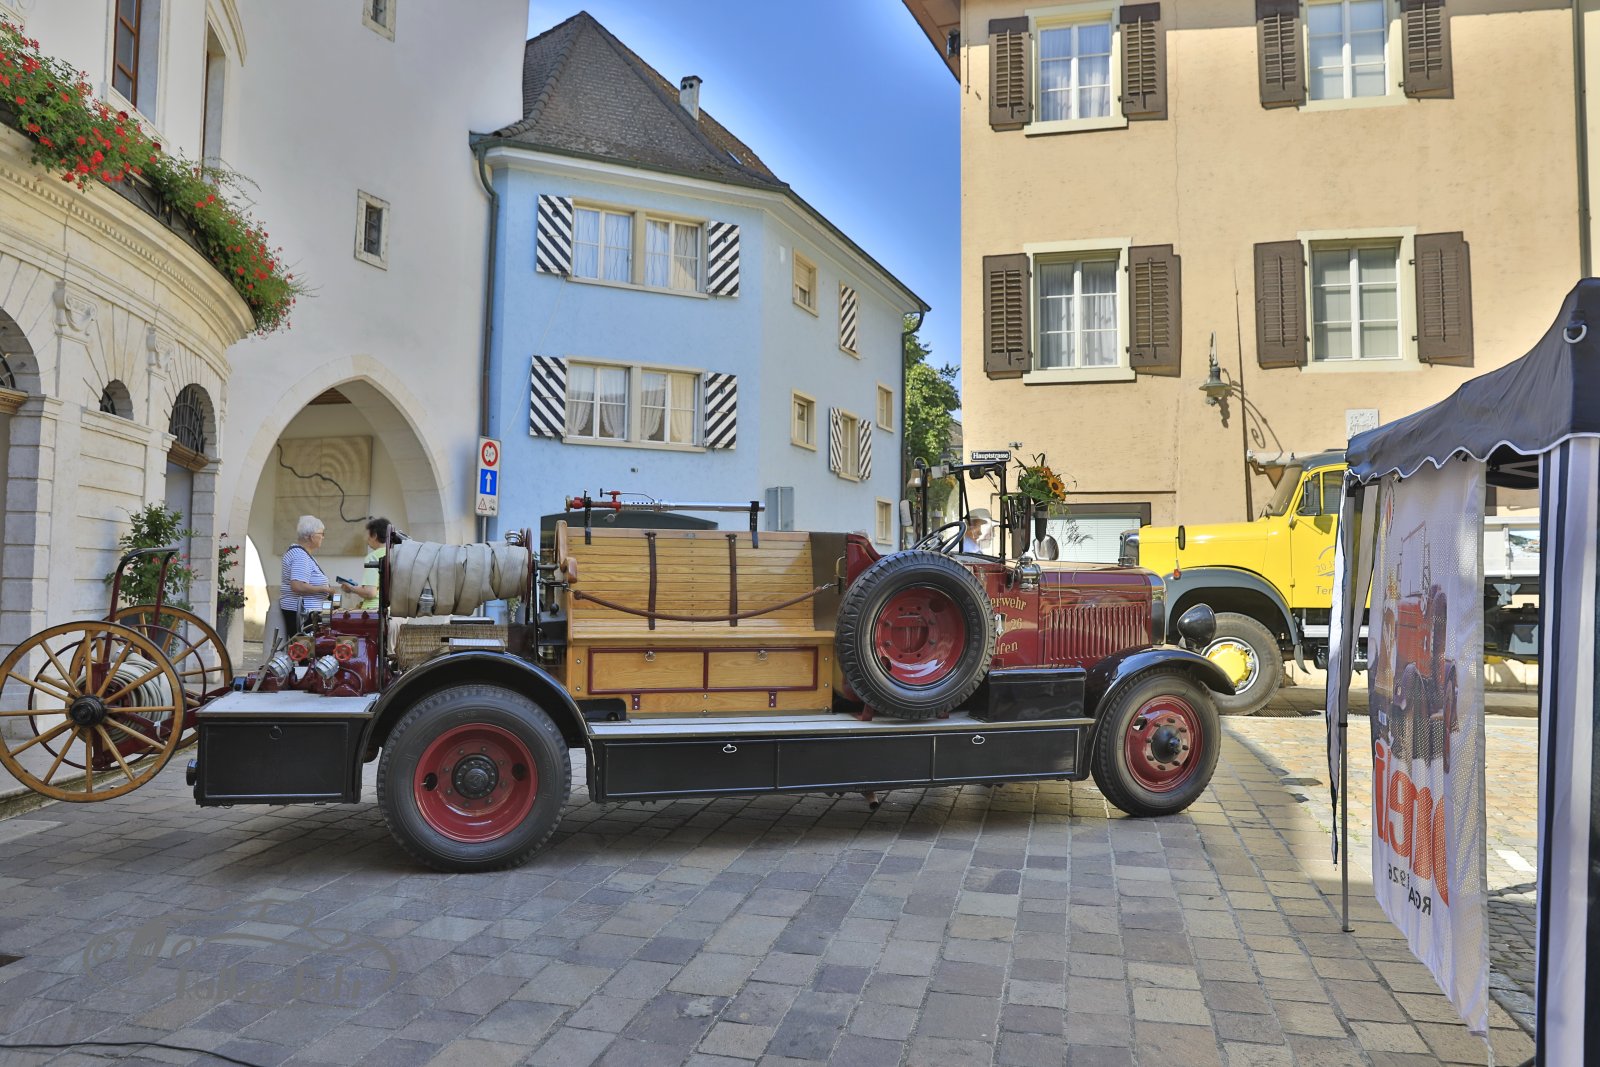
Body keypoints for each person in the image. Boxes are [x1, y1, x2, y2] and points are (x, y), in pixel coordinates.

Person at [279, 515, 345, 637]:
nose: (323, 537)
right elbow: (297, 585)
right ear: (310, 536)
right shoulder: (300, 556)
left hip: (309, 614)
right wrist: (325, 589)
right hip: (304, 616)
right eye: (321, 534)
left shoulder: (303, 554)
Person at [343, 517, 403, 611]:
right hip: (395, 610)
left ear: (374, 535)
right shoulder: (397, 554)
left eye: (367, 535)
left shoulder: (373, 557)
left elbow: (370, 592)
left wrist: (351, 588)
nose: (366, 539)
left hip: (375, 610)